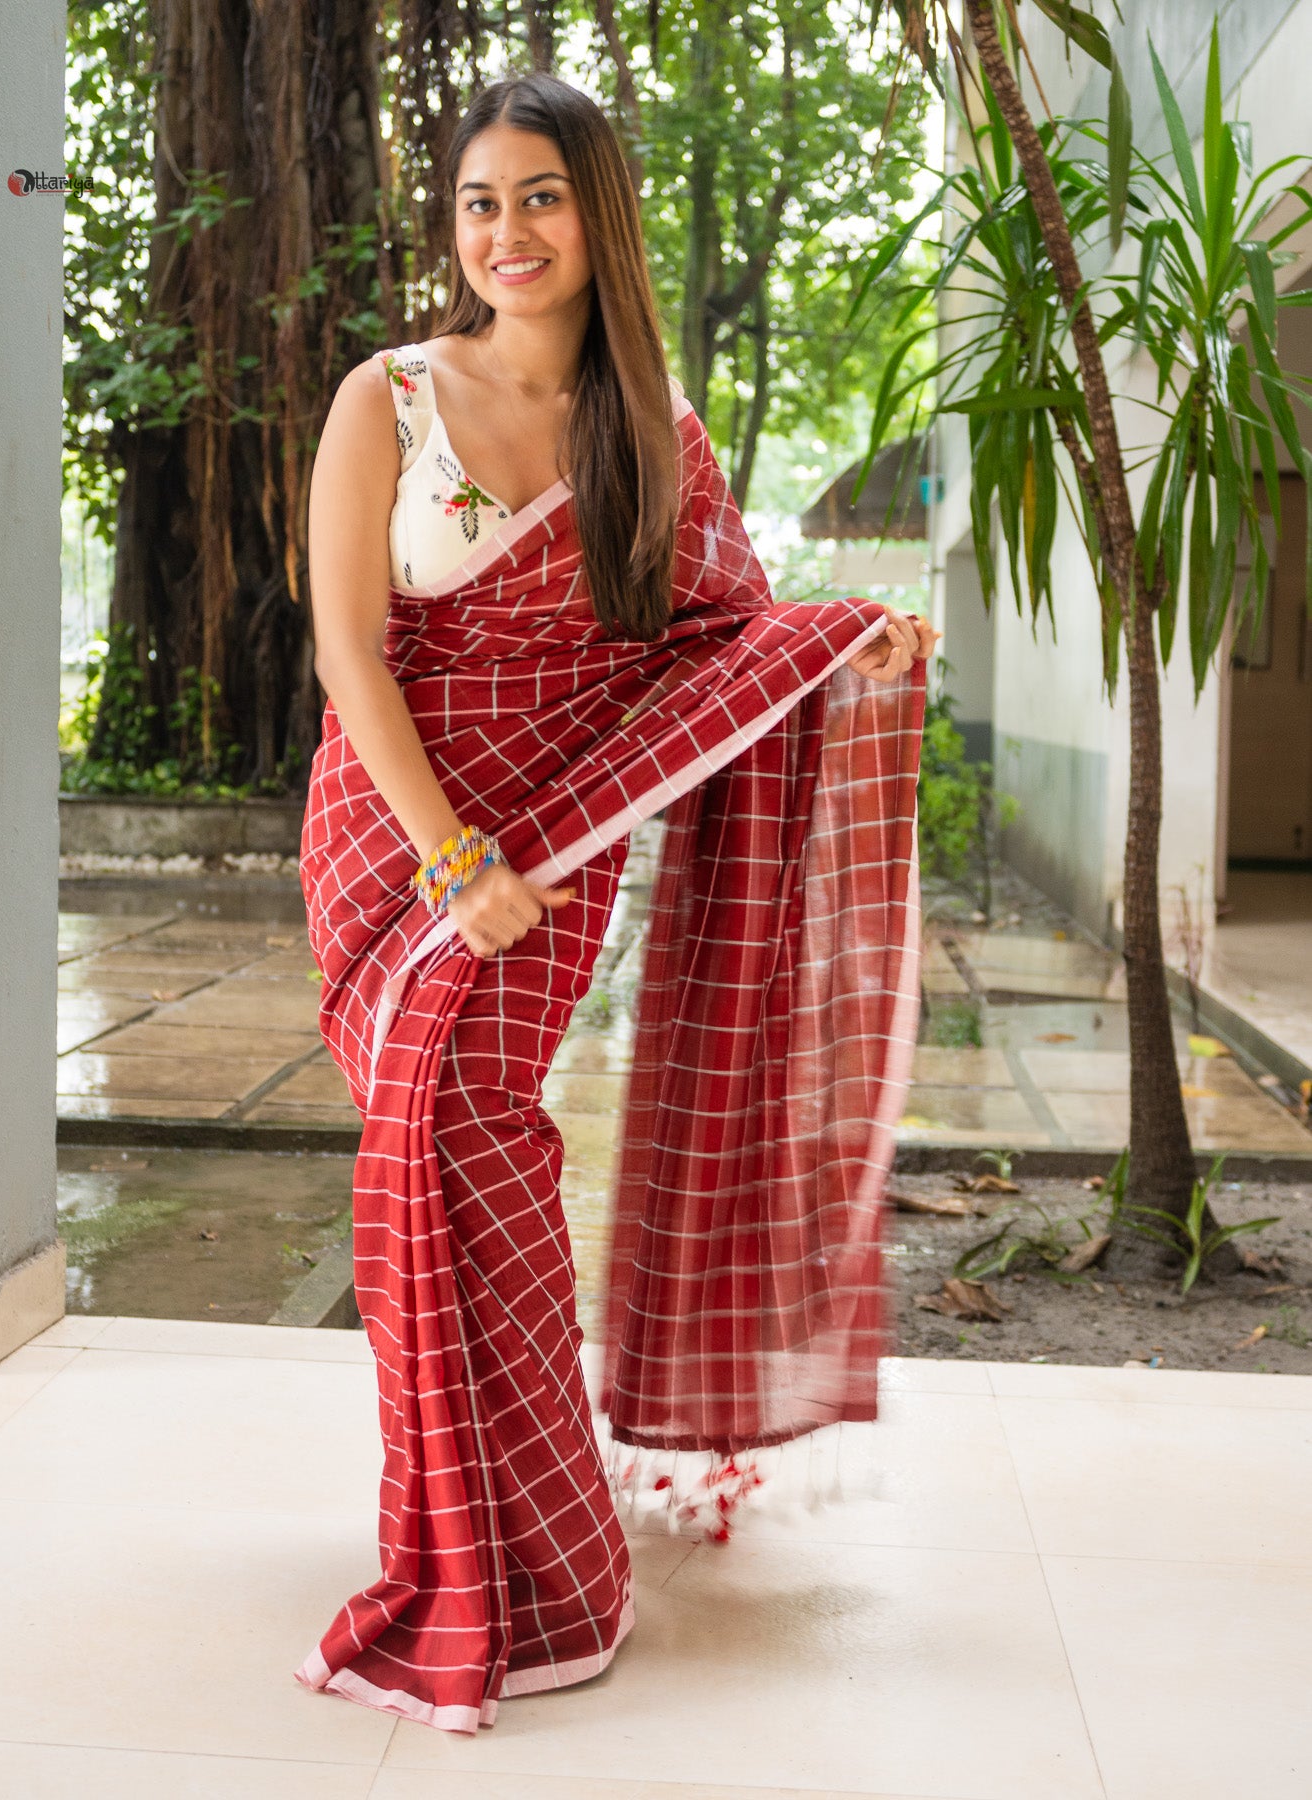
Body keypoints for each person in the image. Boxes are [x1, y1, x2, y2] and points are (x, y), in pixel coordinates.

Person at [294, 70, 937, 1735]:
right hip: (398, 840)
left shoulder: (652, 434)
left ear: (597, 219)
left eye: (542, 198)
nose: (507, 232)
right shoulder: (385, 399)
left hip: (560, 841)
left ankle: (540, 1561)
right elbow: (349, 650)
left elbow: (720, 643)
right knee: (430, 1140)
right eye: (479, 203)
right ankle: (494, 1538)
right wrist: (451, 859)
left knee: (474, 1144)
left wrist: (842, 643)